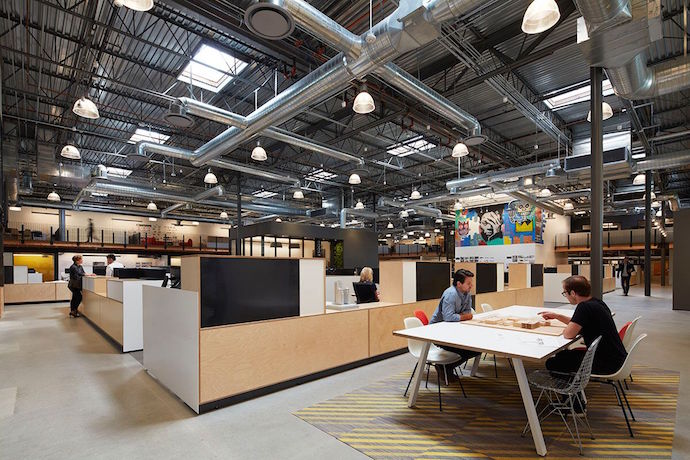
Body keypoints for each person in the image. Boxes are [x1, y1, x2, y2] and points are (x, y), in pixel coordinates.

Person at [540, 275, 627, 376]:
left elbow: (568, 334)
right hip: (615, 358)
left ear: (572, 293)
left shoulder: (584, 307)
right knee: (562, 355)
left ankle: (570, 389)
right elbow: (579, 322)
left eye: (565, 293)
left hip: (606, 363)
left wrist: (567, 328)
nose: (566, 296)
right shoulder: (596, 302)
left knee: (552, 363)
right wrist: (557, 316)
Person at [430, 269, 481, 365]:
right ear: (459, 284)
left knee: (477, 349)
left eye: (471, 283)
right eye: (468, 283)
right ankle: (444, 368)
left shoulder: (467, 294)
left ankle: (446, 367)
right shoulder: (451, 294)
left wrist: (459, 316)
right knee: (469, 350)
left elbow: (467, 312)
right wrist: (464, 316)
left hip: (453, 329)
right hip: (438, 332)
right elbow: (449, 317)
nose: (471, 286)